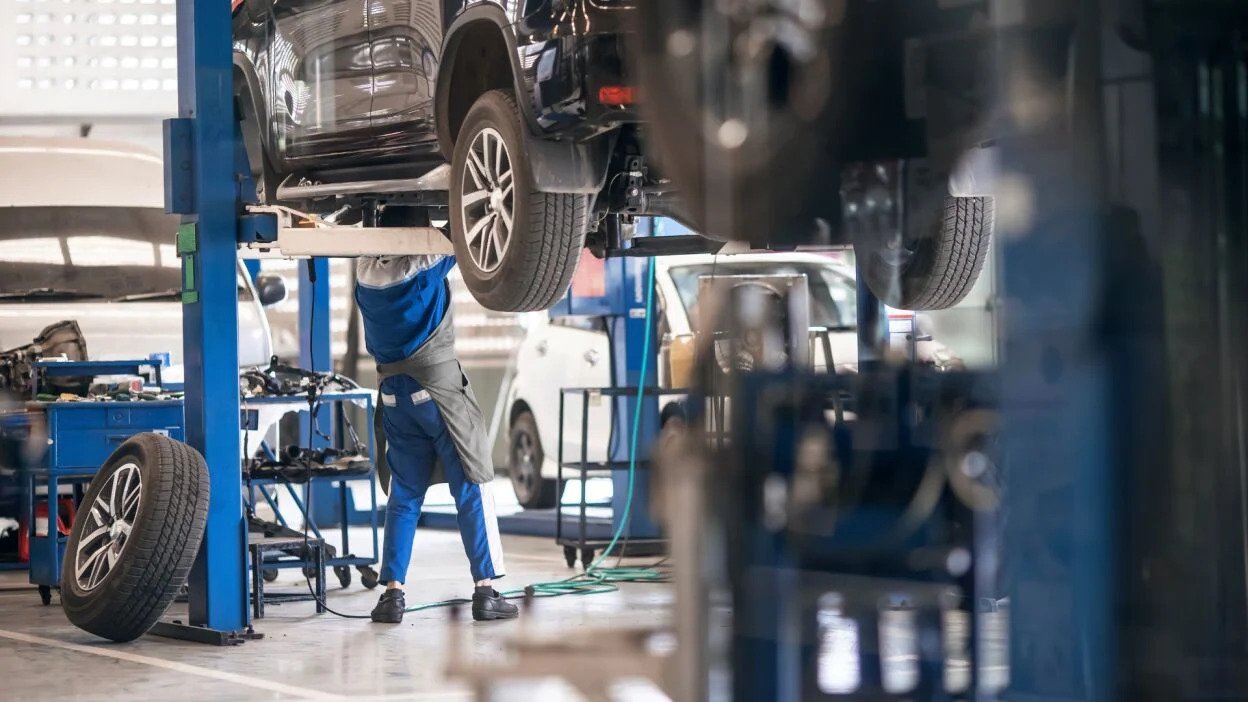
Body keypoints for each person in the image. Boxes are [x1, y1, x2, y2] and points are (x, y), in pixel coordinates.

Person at [355, 250, 518, 624]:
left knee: (404, 496)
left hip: (395, 399)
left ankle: (392, 595)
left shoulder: (363, 272)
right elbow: (463, 239)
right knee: (472, 484)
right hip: (437, 396)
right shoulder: (422, 265)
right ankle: (486, 590)